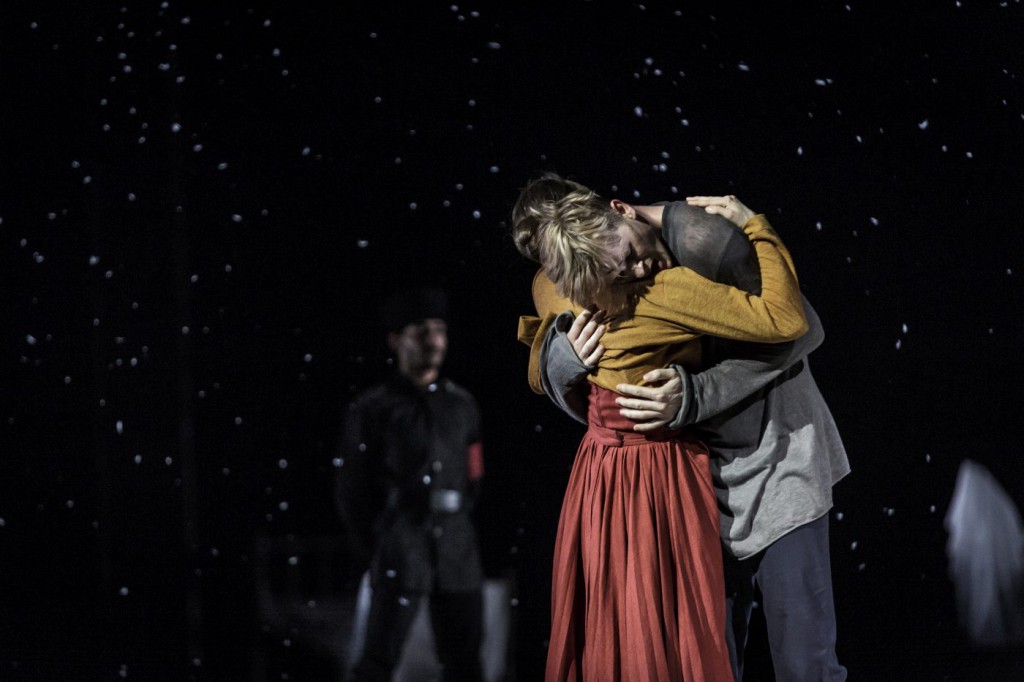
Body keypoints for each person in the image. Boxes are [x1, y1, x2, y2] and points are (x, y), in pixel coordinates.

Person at [515, 172, 849, 681]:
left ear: (619, 210)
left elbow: (801, 329)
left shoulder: (702, 241)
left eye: (629, 257)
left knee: (805, 663)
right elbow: (586, 381)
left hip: (773, 462)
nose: (634, 272)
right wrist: (562, 360)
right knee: (711, 662)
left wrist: (697, 394)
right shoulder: (588, 269)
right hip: (683, 486)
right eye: (615, 273)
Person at [335, 286, 485, 681]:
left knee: (465, 664)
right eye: (421, 330)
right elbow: (352, 489)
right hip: (401, 545)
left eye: (439, 330)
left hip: (456, 549)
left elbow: (474, 476)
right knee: (376, 662)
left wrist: (459, 524)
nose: (433, 340)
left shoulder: (462, 405)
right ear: (396, 340)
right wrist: (378, 544)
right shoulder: (373, 408)